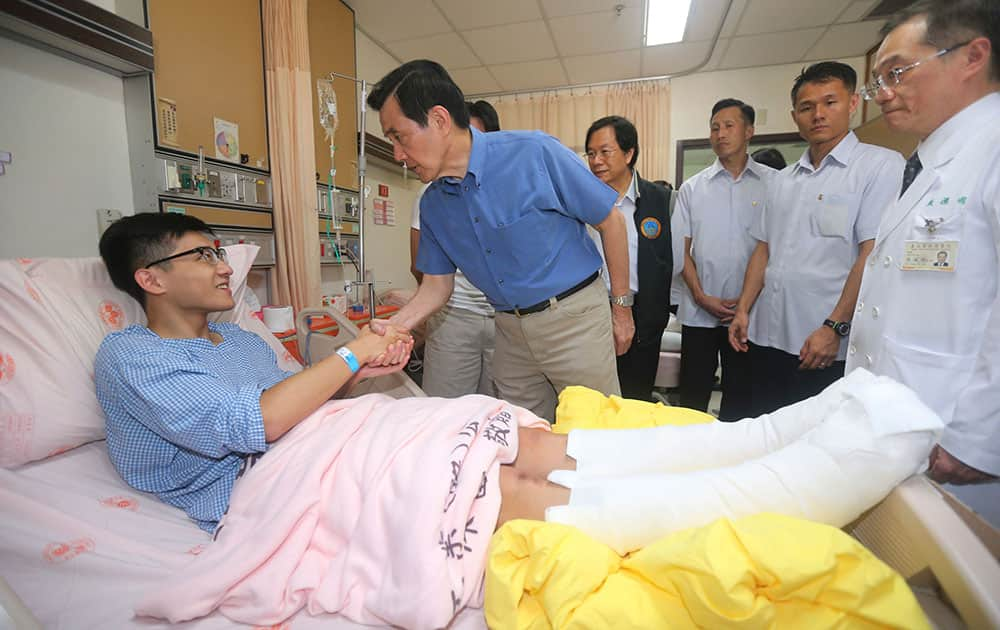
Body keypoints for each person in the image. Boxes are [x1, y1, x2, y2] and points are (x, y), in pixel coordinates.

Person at [366, 60, 633, 421]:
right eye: (391, 141)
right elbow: (435, 286)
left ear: (440, 120)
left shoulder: (532, 153)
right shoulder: (433, 205)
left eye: (400, 136)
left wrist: (621, 309)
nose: (397, 154)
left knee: (596, 432)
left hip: (574, 322)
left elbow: (611, 222)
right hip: (508, 330)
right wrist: (392, 327)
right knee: (520, 438)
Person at [849, 0, 999, 509]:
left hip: (962, 442)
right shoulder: (925, 162)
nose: (883, 94)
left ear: (972, 57)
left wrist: (978, 436)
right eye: (877, 82)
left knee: (968, 579)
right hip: (908, 424)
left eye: (897, 73)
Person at [728, 61, 905, 416]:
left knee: (815, 441)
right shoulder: (783, 180)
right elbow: (764, 249)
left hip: (822, 341)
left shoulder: (879, 167)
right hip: (765, 336)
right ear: (795, 115)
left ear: (853, 104)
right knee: (766, 429)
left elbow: (871, 254)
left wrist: (834, 326)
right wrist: (744, 309)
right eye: (807, 107)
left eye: (830, 102)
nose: (818, 115)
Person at [673, 99, 774, 420]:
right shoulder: (692, 189)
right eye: (715, 127)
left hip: (751, 313)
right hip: (699, 313)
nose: (720, 134)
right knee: (692, 397)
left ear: (749, 131)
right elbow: (681, 251)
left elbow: (774, 247)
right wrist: (701, 297)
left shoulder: (775, 184)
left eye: (729, 126)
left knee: (743, 400)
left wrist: (744, 304)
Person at [409, 101, 501, 398]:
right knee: (445, 409)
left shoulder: (503, 189)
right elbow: (420, 266)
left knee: (498, 409)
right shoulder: (431, 196)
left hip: (505, 320)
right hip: (454, 316)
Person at [584, 116, 673, 401]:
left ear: (629, 153)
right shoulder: (581, 201)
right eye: (591, 153)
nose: (596, 160)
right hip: (592, 312)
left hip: (644, 315)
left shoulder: (661, 200)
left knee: (636, 398)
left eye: (605, 151)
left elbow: (672, 261)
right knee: (596, 399)